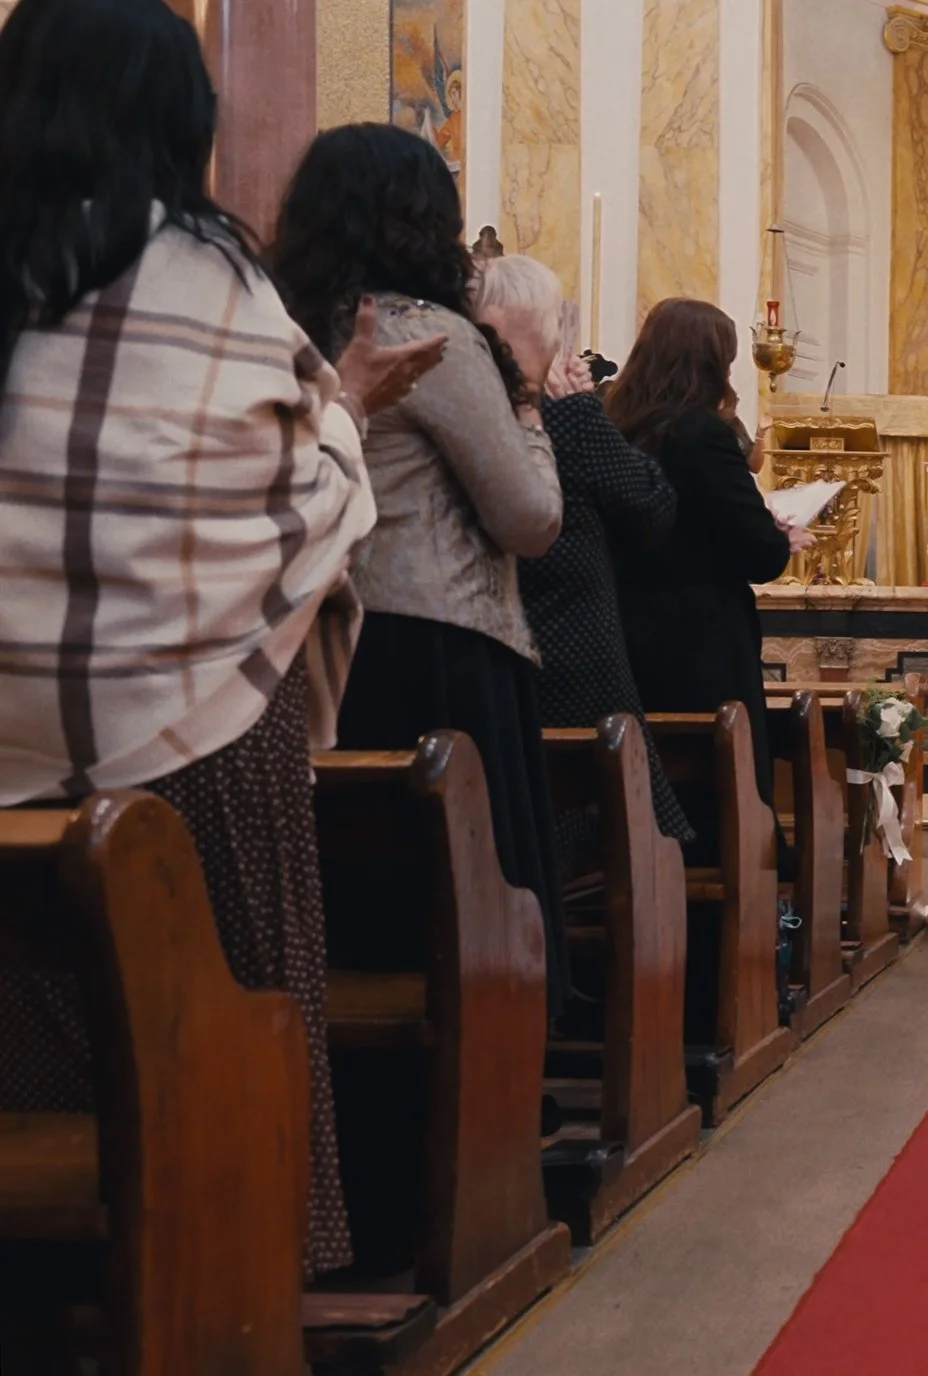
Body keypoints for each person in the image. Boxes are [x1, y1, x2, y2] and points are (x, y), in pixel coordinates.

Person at [0, 0, 443, 1277]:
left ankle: (42, 1297)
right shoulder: (210, 284)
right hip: (196, 747)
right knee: (221, 1025)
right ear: (183, 120)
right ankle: (244, 1280)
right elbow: (302, 500)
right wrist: (350, 406)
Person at [267, 122, 572, 1016]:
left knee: (360, 904)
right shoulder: (429, 336)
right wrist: (527, 402)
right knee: (458, 907)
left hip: (319, 638)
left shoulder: (282, 326)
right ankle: (466, 1120)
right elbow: (529, 516)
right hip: (439, 646)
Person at [472, 256, 695, 863]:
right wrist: (583, 411)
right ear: (541, 333)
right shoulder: (564, 419)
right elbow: (653, 505)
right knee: (633, 848)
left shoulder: (465, 403)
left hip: (498, 661)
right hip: (575, 668)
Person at [605, 298, 802, 839]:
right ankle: (726, 904)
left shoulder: (614, 425)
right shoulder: (703, 435)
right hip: (700, 648)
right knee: (718, 797)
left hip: (626, 639)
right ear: (708, 363)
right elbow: (758, 552)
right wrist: (781, 537)